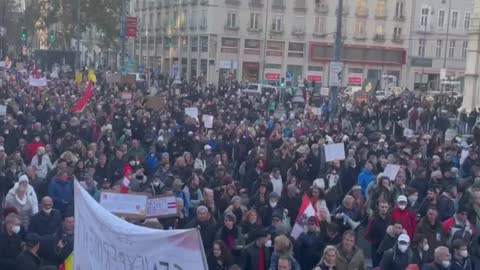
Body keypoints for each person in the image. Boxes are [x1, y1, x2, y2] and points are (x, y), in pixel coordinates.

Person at [365, 200, 391, 267]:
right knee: (376, 266)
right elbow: (367, 234)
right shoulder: (373, 220)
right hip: (376, 247)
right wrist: (374, 241)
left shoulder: (390, 220)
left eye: (385, 207)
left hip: (387, 247)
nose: (384, 209)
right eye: (382, 207)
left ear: (388, 208)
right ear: (378, 207)